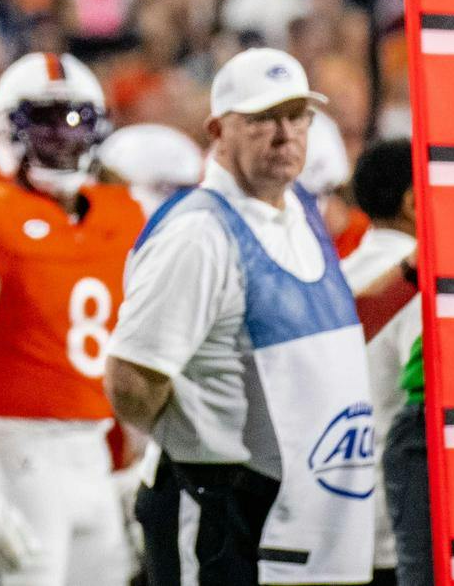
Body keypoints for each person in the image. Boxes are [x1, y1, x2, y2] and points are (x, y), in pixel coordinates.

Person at [106, 49, 374, 586]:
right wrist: (201, 445)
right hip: (221, 510)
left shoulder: (299, 209)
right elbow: (131, 379)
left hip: (302, 510)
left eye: (297, 116)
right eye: (261, 119)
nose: (285, 134)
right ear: (217, 131)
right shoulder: (198, 235)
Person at [0, 51, 142, 586]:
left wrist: (142, 456)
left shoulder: (120, 214)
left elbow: (137, 346)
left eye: (75, 122)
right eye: (44, 123)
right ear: (8, 130)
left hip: (96, 451)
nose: (63, 139)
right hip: (19, 455)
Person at [338, 142, 419, 586]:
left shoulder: (337, 274)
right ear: (412, 201)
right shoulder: (416, 285)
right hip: (395, 519)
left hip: (336, 510)